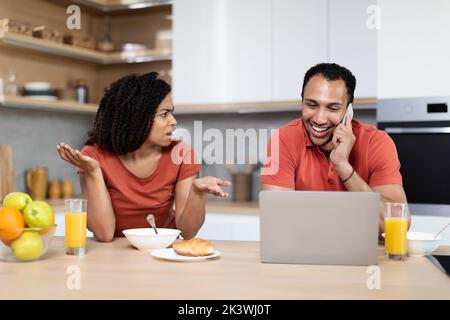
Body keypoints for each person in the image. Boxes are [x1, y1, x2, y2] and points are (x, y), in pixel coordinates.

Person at [57, 72, 231, 242]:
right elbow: (104, 234)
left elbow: (187, 232)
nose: (173, 121)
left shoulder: (182, 154)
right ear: (137, 119)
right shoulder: (93, 156)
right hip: (113, 257)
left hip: (164, 251)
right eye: (164, 114)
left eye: (172, 112)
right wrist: (93, 171)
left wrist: (197, 192)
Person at [261, 63, 409, 234]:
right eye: (311, 105)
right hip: (302, 252)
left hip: (366, 255)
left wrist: (343, 167)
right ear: (301, 102)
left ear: (349, 110)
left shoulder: (377, 143)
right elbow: (275, 221)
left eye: (333, 108)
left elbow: (399, 224)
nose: (319, 118)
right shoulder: (284, 139)